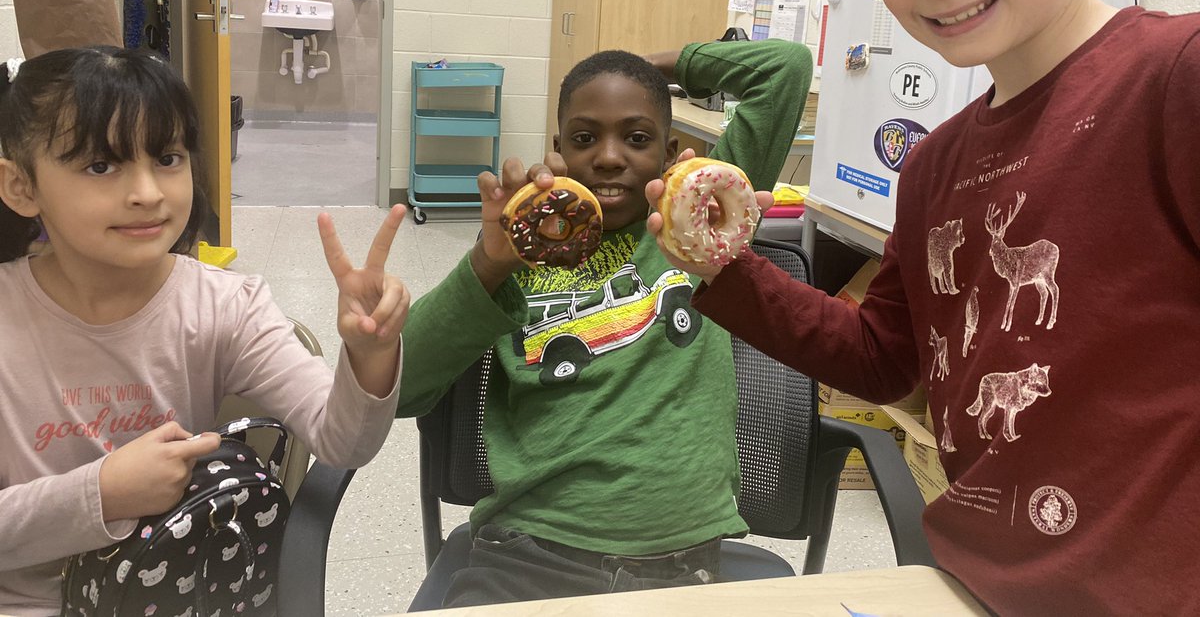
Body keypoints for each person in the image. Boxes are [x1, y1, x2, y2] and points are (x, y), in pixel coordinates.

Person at [645, 0, 1200, 616]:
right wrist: (721, 267)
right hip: (973, 578)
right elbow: (883, 359)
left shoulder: (1171, 79)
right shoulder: (938, 164)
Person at [397, 38, 812, 605]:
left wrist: (647, 61)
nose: (610, 156)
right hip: (525, 557)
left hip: (682, 570)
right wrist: (487, 266)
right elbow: (400, 387)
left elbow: (783, 70)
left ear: (670, 154)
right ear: (558, 149)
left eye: (637, 138)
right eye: (585, 138)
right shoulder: (519, 255)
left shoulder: (692, 231)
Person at [0, 46, 410, 616]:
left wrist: (369, 351)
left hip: (175, 597)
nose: (148, 192)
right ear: (22, 187)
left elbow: (343, 441)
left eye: (168, 158)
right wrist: (100, 494)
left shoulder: (226, 306)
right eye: (101, 165)